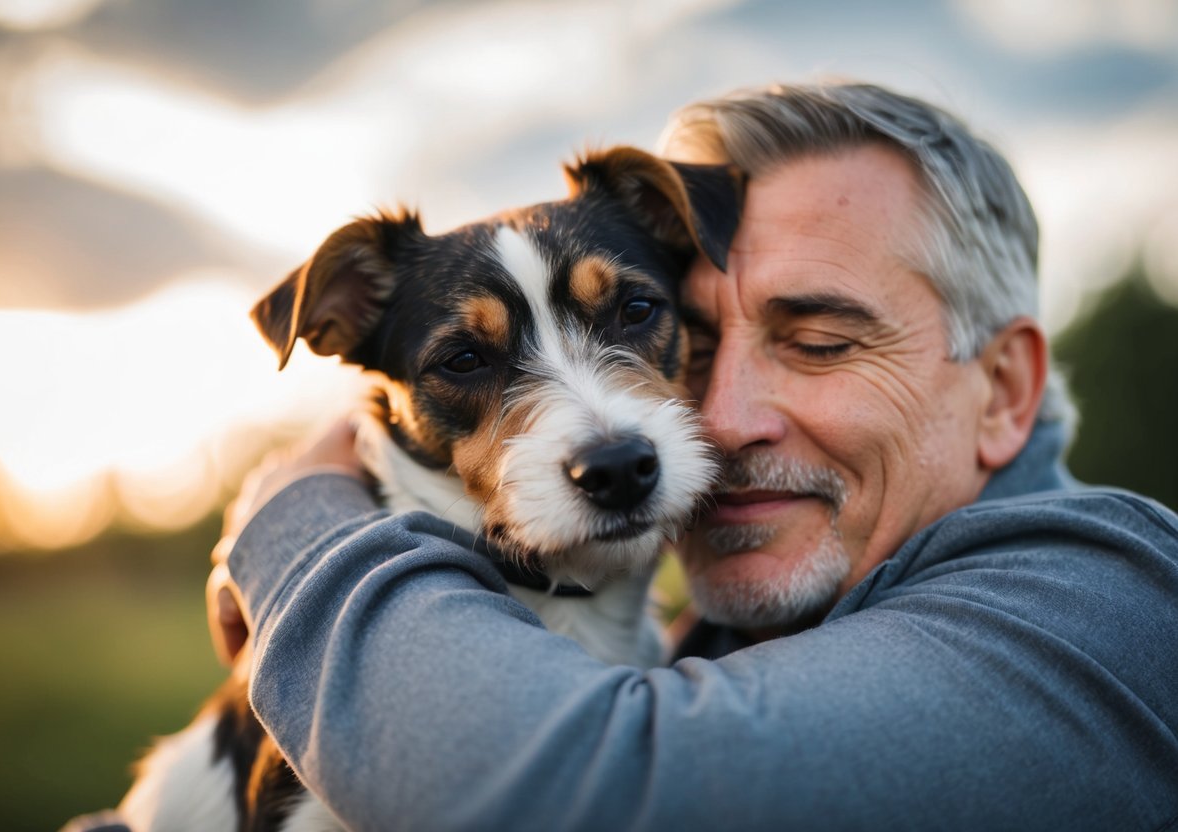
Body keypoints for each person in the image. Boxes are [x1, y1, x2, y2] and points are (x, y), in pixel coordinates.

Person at [75, 81, 1178, 831]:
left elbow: (591, 784)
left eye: (822, 340)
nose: (721, 412)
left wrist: (290, 515)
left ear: (1004, 389)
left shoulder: (1116, 614)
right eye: (697, 342)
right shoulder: (723, 620)